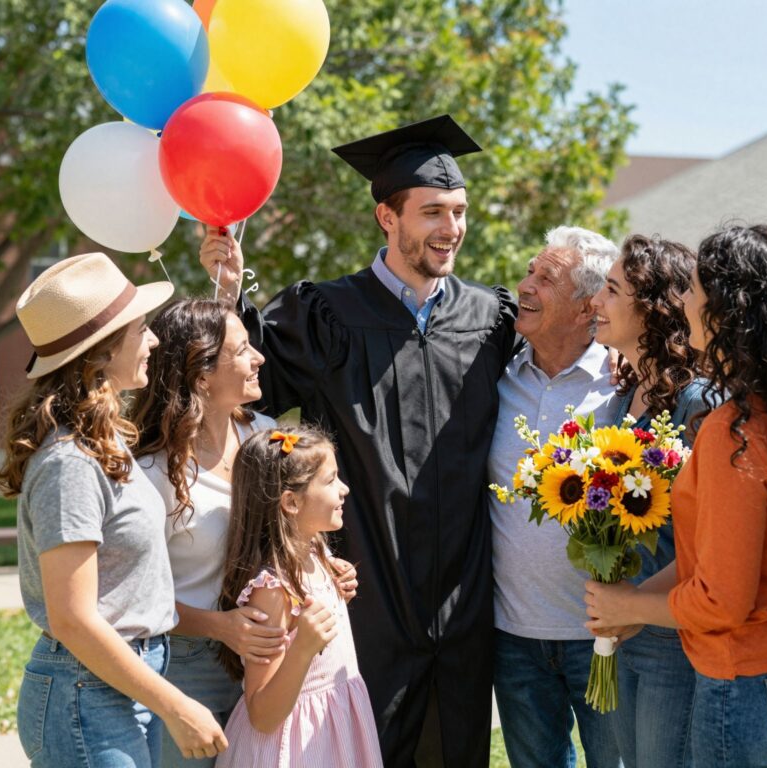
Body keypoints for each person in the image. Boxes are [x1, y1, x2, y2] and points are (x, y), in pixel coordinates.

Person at [199, 115, 518, 767]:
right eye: (432, 212)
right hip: (361, 601)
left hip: (464, 610)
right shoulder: (327, 316)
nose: (451, 229)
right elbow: (237, 382)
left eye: (458, 212)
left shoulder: (489, 320)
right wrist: (227, 292)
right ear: (386, 217)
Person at [584, 225, 767, 767]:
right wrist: (631, 608)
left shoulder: (732, 430)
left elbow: (722, 601)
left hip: (751, 683)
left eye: (693, 288)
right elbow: (717, 559)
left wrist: (632, 605)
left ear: (728, 309)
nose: (681, 300)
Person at [0, 253, 227, 766]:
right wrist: (177, 706)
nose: (155, 341)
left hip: (115, 683)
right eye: (143, 329)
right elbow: (74, 619)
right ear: (100, 352)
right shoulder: (69, 463)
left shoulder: (104, 444)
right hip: (86, 691)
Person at [488, 226, 623, 768]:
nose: (525, 285)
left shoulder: (624, 383)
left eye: (546, 278)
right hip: (513, 638)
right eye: (529, 270)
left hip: (603, 639)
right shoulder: (494, 376)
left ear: (588, 306)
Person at [129, 299, 282, 767]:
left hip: (263, 663)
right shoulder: (152, 474)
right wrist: (221, 628)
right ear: (201, 375)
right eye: (242, 351)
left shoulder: (268, 435)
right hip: (184, 668)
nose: (259, 357)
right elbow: (134, 600)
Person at [589, 234, 711, 768]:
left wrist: (636, 609)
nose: (596, 301)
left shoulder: (698, 405)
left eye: (611, 290)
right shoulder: (617, 400)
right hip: (621, 633)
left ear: (654, 308)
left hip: (671, 634)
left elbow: (712, 538)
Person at [214, 426, 382, 768]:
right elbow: (261, 714)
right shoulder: (271, 591)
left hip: (335, 734)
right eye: (331, 480)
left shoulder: (317, 554)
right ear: (291, 501)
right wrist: (304, 646)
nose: (344, 489)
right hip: (292, 748)